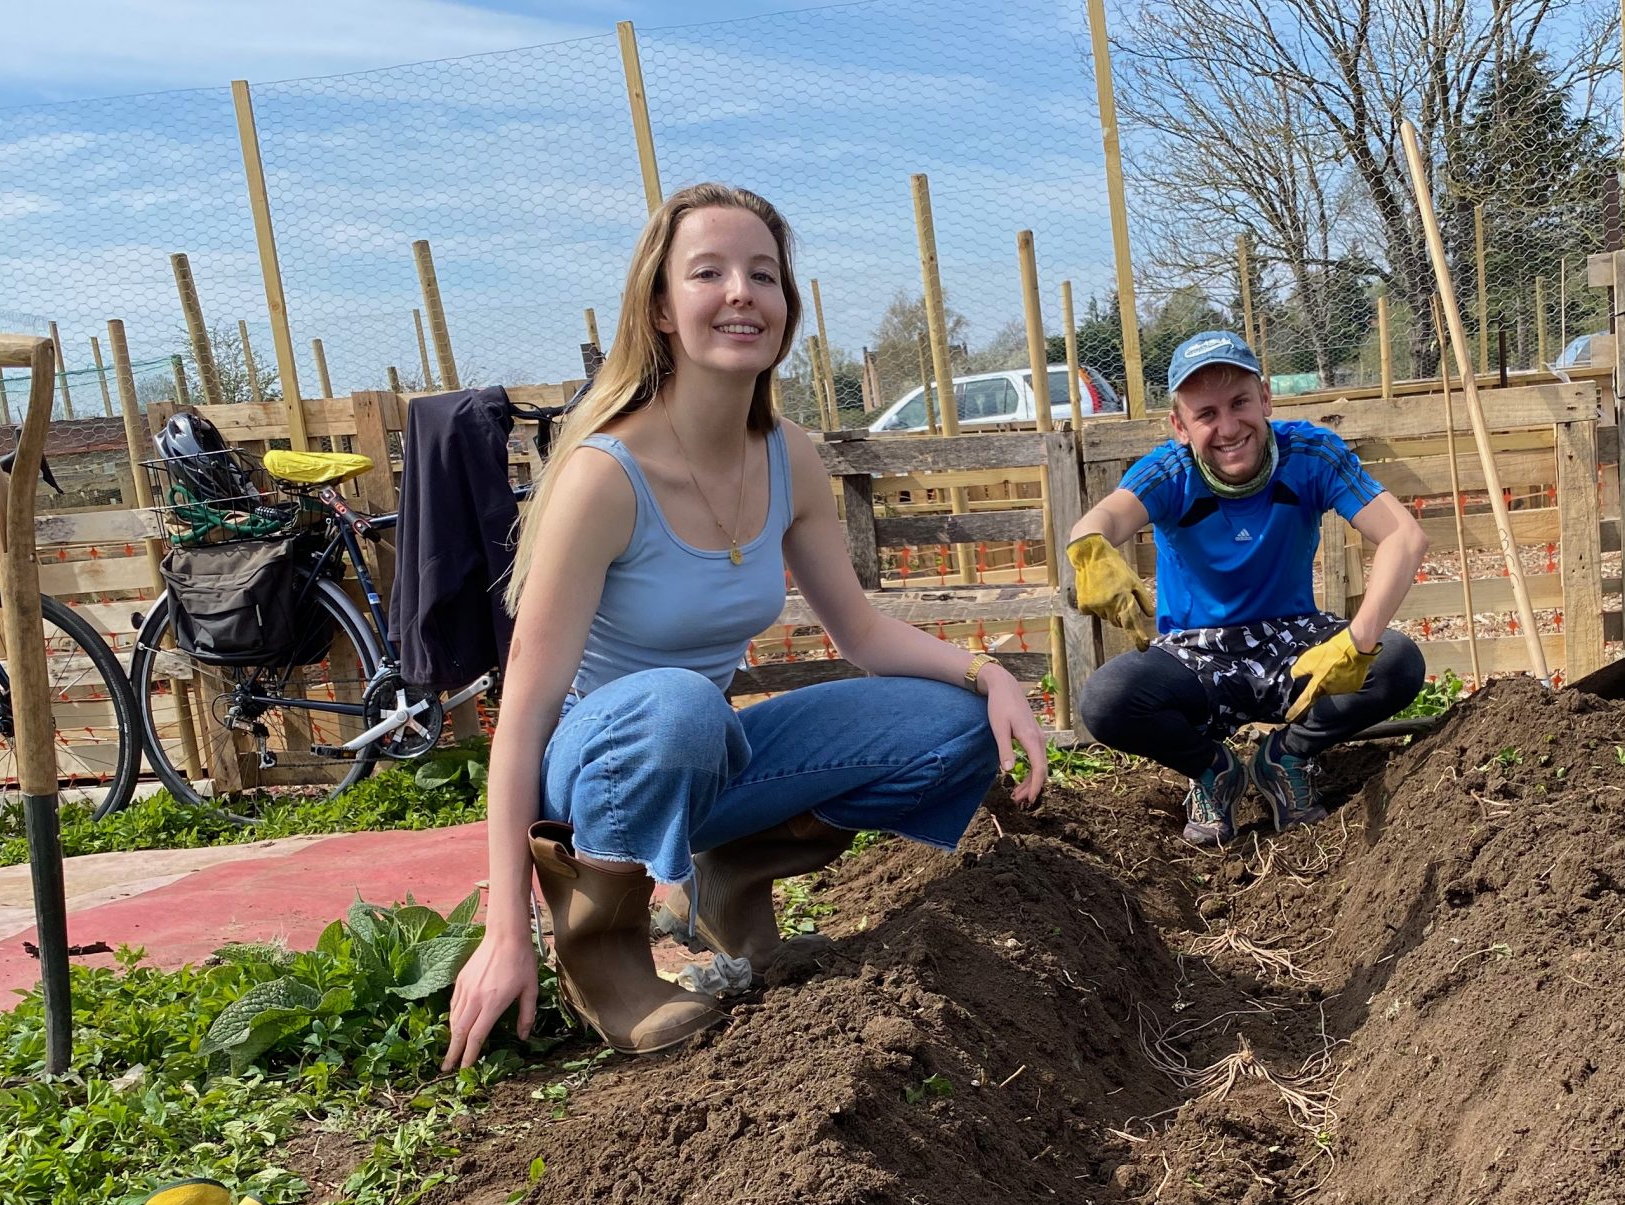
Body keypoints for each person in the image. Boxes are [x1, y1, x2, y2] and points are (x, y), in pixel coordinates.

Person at [443, 183, 1047, 1068]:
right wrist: (506, 929)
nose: (741, 292)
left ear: (786, 306)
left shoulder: (788, 456)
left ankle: (729, 873)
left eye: (763, 274)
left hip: (703, 746)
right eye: (709, 272)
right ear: (659, 307)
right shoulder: (606, 476)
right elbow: (524, 716)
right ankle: (598, 944)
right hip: (596, 769)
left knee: (953, 728)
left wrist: (988, 676)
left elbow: (863, 635)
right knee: (682, 707)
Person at [1067, 330, 1428, 846]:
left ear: (1265, 397)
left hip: (1292, 641)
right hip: (1196, 655)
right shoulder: (1169, 472)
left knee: (1395, 662)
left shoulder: (1310, 455)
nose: (1228, 427)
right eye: (1206, 414)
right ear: (1180, 426)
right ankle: (1214, 770)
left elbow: (1404, 535)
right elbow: (1099, 520)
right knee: (1106, 700)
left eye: (1239, 403)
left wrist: (1358, 640)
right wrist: (1091, 550)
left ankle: (1286, 757)